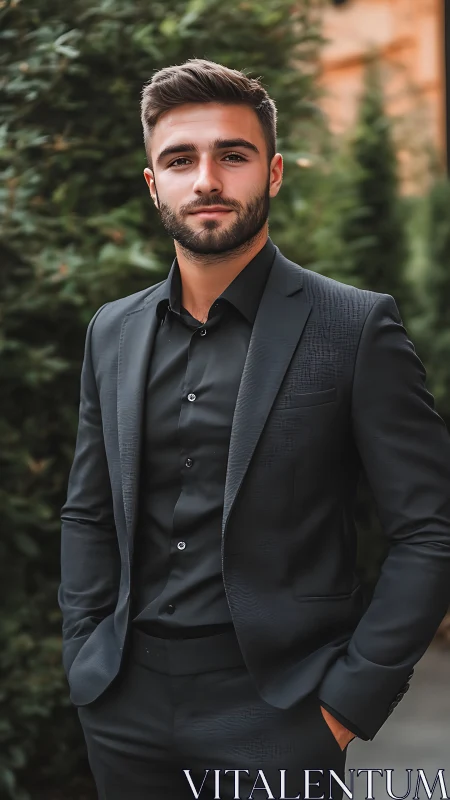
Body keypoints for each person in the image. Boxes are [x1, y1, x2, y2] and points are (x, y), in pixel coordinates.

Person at [58, 59, 450, 800]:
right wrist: (84, 655)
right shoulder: (111, 331)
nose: (206, 178)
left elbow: (429, 529)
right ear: (153, 183)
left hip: (281, 711)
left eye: (231, 155)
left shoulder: (355, 327)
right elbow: (87, 510)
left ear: (271, 174)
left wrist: (345, 706)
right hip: (121, 707)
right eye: (180, 158)